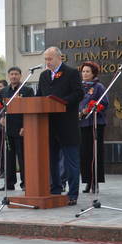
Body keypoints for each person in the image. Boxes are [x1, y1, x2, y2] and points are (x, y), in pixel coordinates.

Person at [36, 47, 84, 205]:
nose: (47, 62)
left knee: (71, 162)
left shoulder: (71, 73)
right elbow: (39, 97)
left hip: (67, 124)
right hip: (48, 126)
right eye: (46, 59)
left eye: (50, 59)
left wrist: (61, 102)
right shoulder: (43, 76)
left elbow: (79, 94)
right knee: (52, 160)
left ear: (59, 57)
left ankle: (72, 194)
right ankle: (55, 189)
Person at [0, 67, 34, 191]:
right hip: (8, 129)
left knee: (23, 157)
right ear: (8, 76)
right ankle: (9, 183)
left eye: (16, 74)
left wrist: (25, 126)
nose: (13, 76)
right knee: (9, 158)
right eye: (11, 74)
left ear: (20, 75)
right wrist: (2, 117)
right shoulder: (4, 91)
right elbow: (0, 107)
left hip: (22, 129)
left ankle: (26, 183)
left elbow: (30, 109)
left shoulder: (27, 90)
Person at [78, 61, 109, 194]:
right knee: (84, 154)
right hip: (82, 124)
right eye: (83, 71)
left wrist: (92, 107)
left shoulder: (99, 87)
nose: (85, 74)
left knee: (95, 153)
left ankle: (95, 182)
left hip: (95, 124)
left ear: (93, 73)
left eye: (87, 72)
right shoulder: (78, 86)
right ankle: (87, 181)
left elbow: (104, 102)